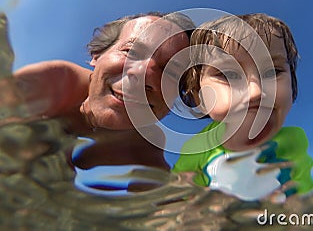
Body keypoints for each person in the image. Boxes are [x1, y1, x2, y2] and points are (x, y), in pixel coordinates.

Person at [3, 11, 195, 193]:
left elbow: (159, 207)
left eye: (171, 73)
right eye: (131, 52)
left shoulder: (146, 144)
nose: (145, 76)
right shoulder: (56, 83)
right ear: (97, 56)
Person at [172, 13, 313, 200]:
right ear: (200, 98)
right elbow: (178, 196)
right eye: (229, 75)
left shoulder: (293, 141)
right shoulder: (198, 149)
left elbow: (306, 199)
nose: (255, 92)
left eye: (273, 71)